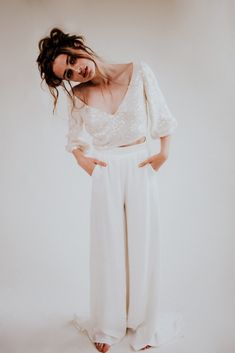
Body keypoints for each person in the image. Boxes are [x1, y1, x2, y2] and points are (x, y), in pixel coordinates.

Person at [36, 27, 183, 352]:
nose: (77, 71)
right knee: (109, 249)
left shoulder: (139, 71)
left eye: (72, 61)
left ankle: (144, 324)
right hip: (106, 173)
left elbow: (163, 118)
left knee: (143, 245)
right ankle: (107, 324)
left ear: (77, 47)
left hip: (141, 166)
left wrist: (163, 153)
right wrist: (83, 162)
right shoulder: (79, 97)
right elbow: (74, 140)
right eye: (69, 74)